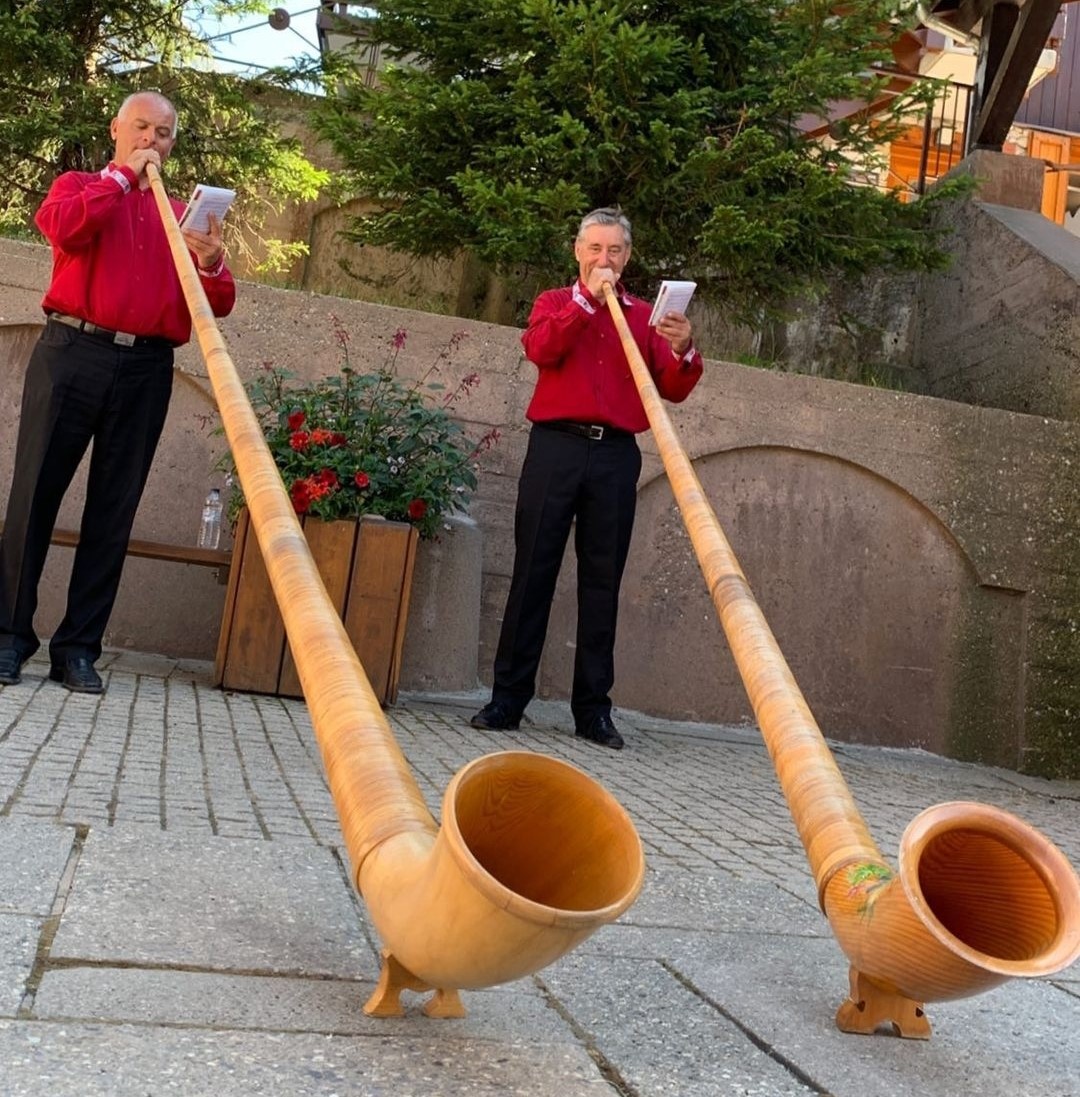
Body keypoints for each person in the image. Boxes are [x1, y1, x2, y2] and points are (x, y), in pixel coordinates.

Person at [0, 91, 236, 694]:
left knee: (115, 508)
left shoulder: (183, 216)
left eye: (163, 133)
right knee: (34, 495)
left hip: (146, 368)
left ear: (173, 143)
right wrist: (123, 178)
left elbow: (218, 304)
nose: (151, 140)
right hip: (71, 352)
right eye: (141, 128)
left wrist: (211, 263)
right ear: (116, 129)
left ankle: (78, 649)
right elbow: (62, 228)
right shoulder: (79, 186)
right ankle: (8, 637)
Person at [471, 207, 703, 749]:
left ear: (627, 257)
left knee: (603, 582)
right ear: (578, 251)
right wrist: (586, 304)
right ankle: (508, 699)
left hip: (616, 455)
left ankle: (593, 710)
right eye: (595, 249)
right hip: (556, 446)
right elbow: (541, 348)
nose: (605, 259)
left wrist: (682, 347)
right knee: (533, 570)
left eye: (614, 251)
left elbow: (673, 387)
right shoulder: (554, 302)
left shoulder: (644, 316)